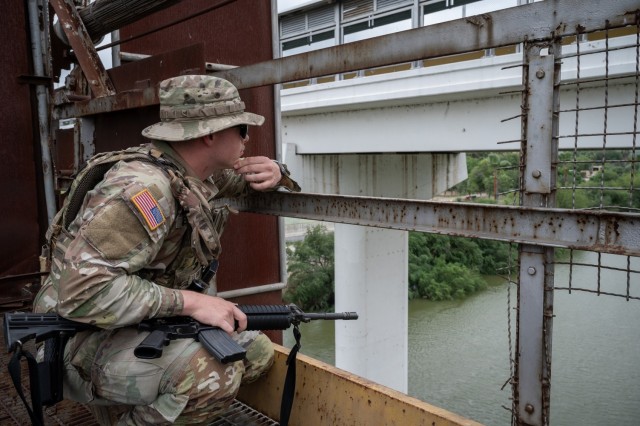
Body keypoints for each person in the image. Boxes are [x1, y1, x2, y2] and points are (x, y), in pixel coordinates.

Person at [33, 75, 301, 425]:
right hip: (73, 334)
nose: (247, 139)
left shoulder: (195, 174)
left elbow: (253, 182)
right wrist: (193, 302)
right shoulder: (143, 191)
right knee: (213, 376)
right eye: (242, 130)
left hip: (129, 322)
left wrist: (277, 171)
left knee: (256, 354)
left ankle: (130, 405)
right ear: (209, 134)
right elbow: (82, 292)